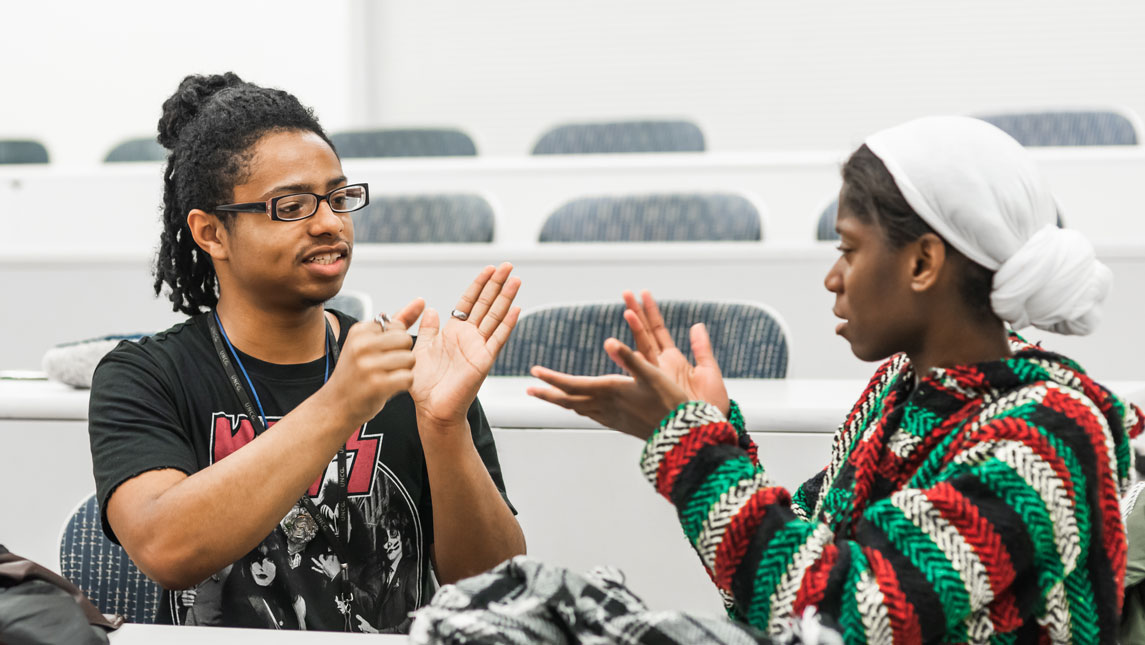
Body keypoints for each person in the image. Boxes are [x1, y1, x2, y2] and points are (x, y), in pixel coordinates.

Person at [529, 116, 1142, 643]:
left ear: (923, 261)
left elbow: (846, 616)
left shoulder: (1050, 434)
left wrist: (694, 448)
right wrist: (716, 436)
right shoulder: (896, 396)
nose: (833, 277)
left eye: (849, 249)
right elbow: (776, 595)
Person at [88, 72, 526, 632]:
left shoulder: (411, 373)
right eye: (291, 206)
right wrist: (339, 406)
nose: (329, 223)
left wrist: (444, 428)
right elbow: (166, 549)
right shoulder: (145, 376)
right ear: (211, 233)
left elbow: (499, 590)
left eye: (339, 197)